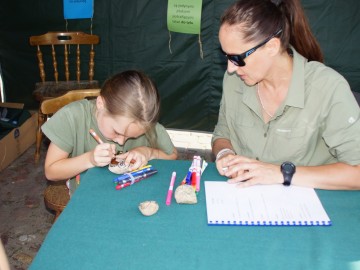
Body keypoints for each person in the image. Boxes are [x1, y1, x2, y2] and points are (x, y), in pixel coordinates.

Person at [212, 0, 360, 189]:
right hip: (246, 201)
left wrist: (280, 173)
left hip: (311, 208)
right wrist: (225, 153)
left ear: (272, 47)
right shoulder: (234, 80)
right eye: (226, 56)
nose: (230, 68)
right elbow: (222, 133)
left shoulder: (326, 87)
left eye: (236, 58)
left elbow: (357, 171)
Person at [42, 70, 178, 195]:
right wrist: (89, 159)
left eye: (134, 137)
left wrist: (147, 152)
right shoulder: (72, 117)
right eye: (117, 132)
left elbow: (172, 155)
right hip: (87, 194)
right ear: (101, 104)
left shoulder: (144, 121)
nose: (121, 142)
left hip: (131, 189)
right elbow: (51, 171)